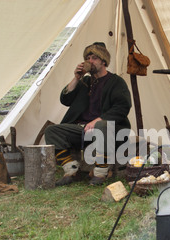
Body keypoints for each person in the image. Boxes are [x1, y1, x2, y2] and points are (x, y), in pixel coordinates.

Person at [45, 42, 132, 186]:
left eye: (94, 58)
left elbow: (123, 107)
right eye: (88, 58)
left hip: (110, 129)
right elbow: (65, 99)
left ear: (103, 61)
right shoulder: (85, 81)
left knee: (101, 125)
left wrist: (98, 120)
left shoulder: (116, 82)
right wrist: (76, 78)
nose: (89, 61)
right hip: (83, 128)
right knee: (52, 131)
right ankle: (72, 170)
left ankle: (100, 173)